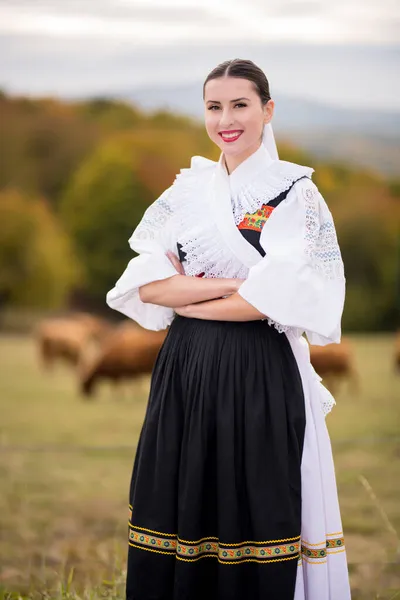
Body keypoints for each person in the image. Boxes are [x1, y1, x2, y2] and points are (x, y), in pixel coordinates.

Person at [106, 59, 351, 600]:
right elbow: (146, 283)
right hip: (186, 369)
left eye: (240, 104)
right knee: (180, 497)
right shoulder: (186, 192)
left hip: (259, 369)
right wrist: (231, 290)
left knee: (256, 503)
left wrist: (192, 292)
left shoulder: (295, 193)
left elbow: (279, 298)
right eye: (214, 107)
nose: (226, 120)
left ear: (267, 110)